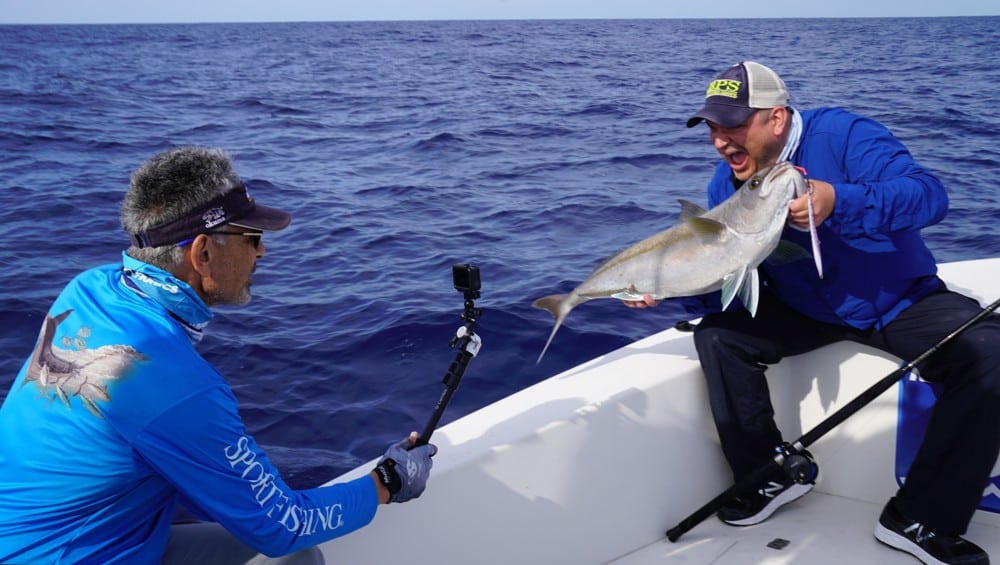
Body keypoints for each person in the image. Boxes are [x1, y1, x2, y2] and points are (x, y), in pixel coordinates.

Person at [626, 61, 1000, 564]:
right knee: (719, 336)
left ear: (776, 119)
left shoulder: (845, 134)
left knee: (993, 353)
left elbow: (929, 196)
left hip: (901, 298)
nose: (720, 142)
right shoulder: (726, 186)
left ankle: (920, 519)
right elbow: (735, 282)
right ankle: (770, 473)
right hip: (805, 308)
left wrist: (837, 200)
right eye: (713, 129)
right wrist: (671, 289)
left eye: (733, 126)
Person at [0, 147, 438, 564]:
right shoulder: (174, 384)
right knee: (291, 552)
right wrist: (387, 482)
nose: (262, 251)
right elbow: (285, 525)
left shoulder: (89, 288)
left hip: (54, 539)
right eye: (251, 237)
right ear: (203, 253)